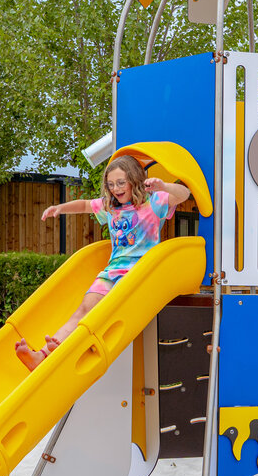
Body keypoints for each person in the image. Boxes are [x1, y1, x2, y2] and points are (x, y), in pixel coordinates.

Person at [14, 155, 190, 371]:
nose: (115, 188)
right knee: (83, 310)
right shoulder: (111, 207)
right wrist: (60, 208)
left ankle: (70, 350)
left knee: (101, 314)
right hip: (112, 272)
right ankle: (42, 355)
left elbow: (184, 195)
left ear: (134, 180)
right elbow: (86, 204)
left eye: (121, 182)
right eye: (111, 184)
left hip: (139, 275)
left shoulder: (154, 202)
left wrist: (163, 186)